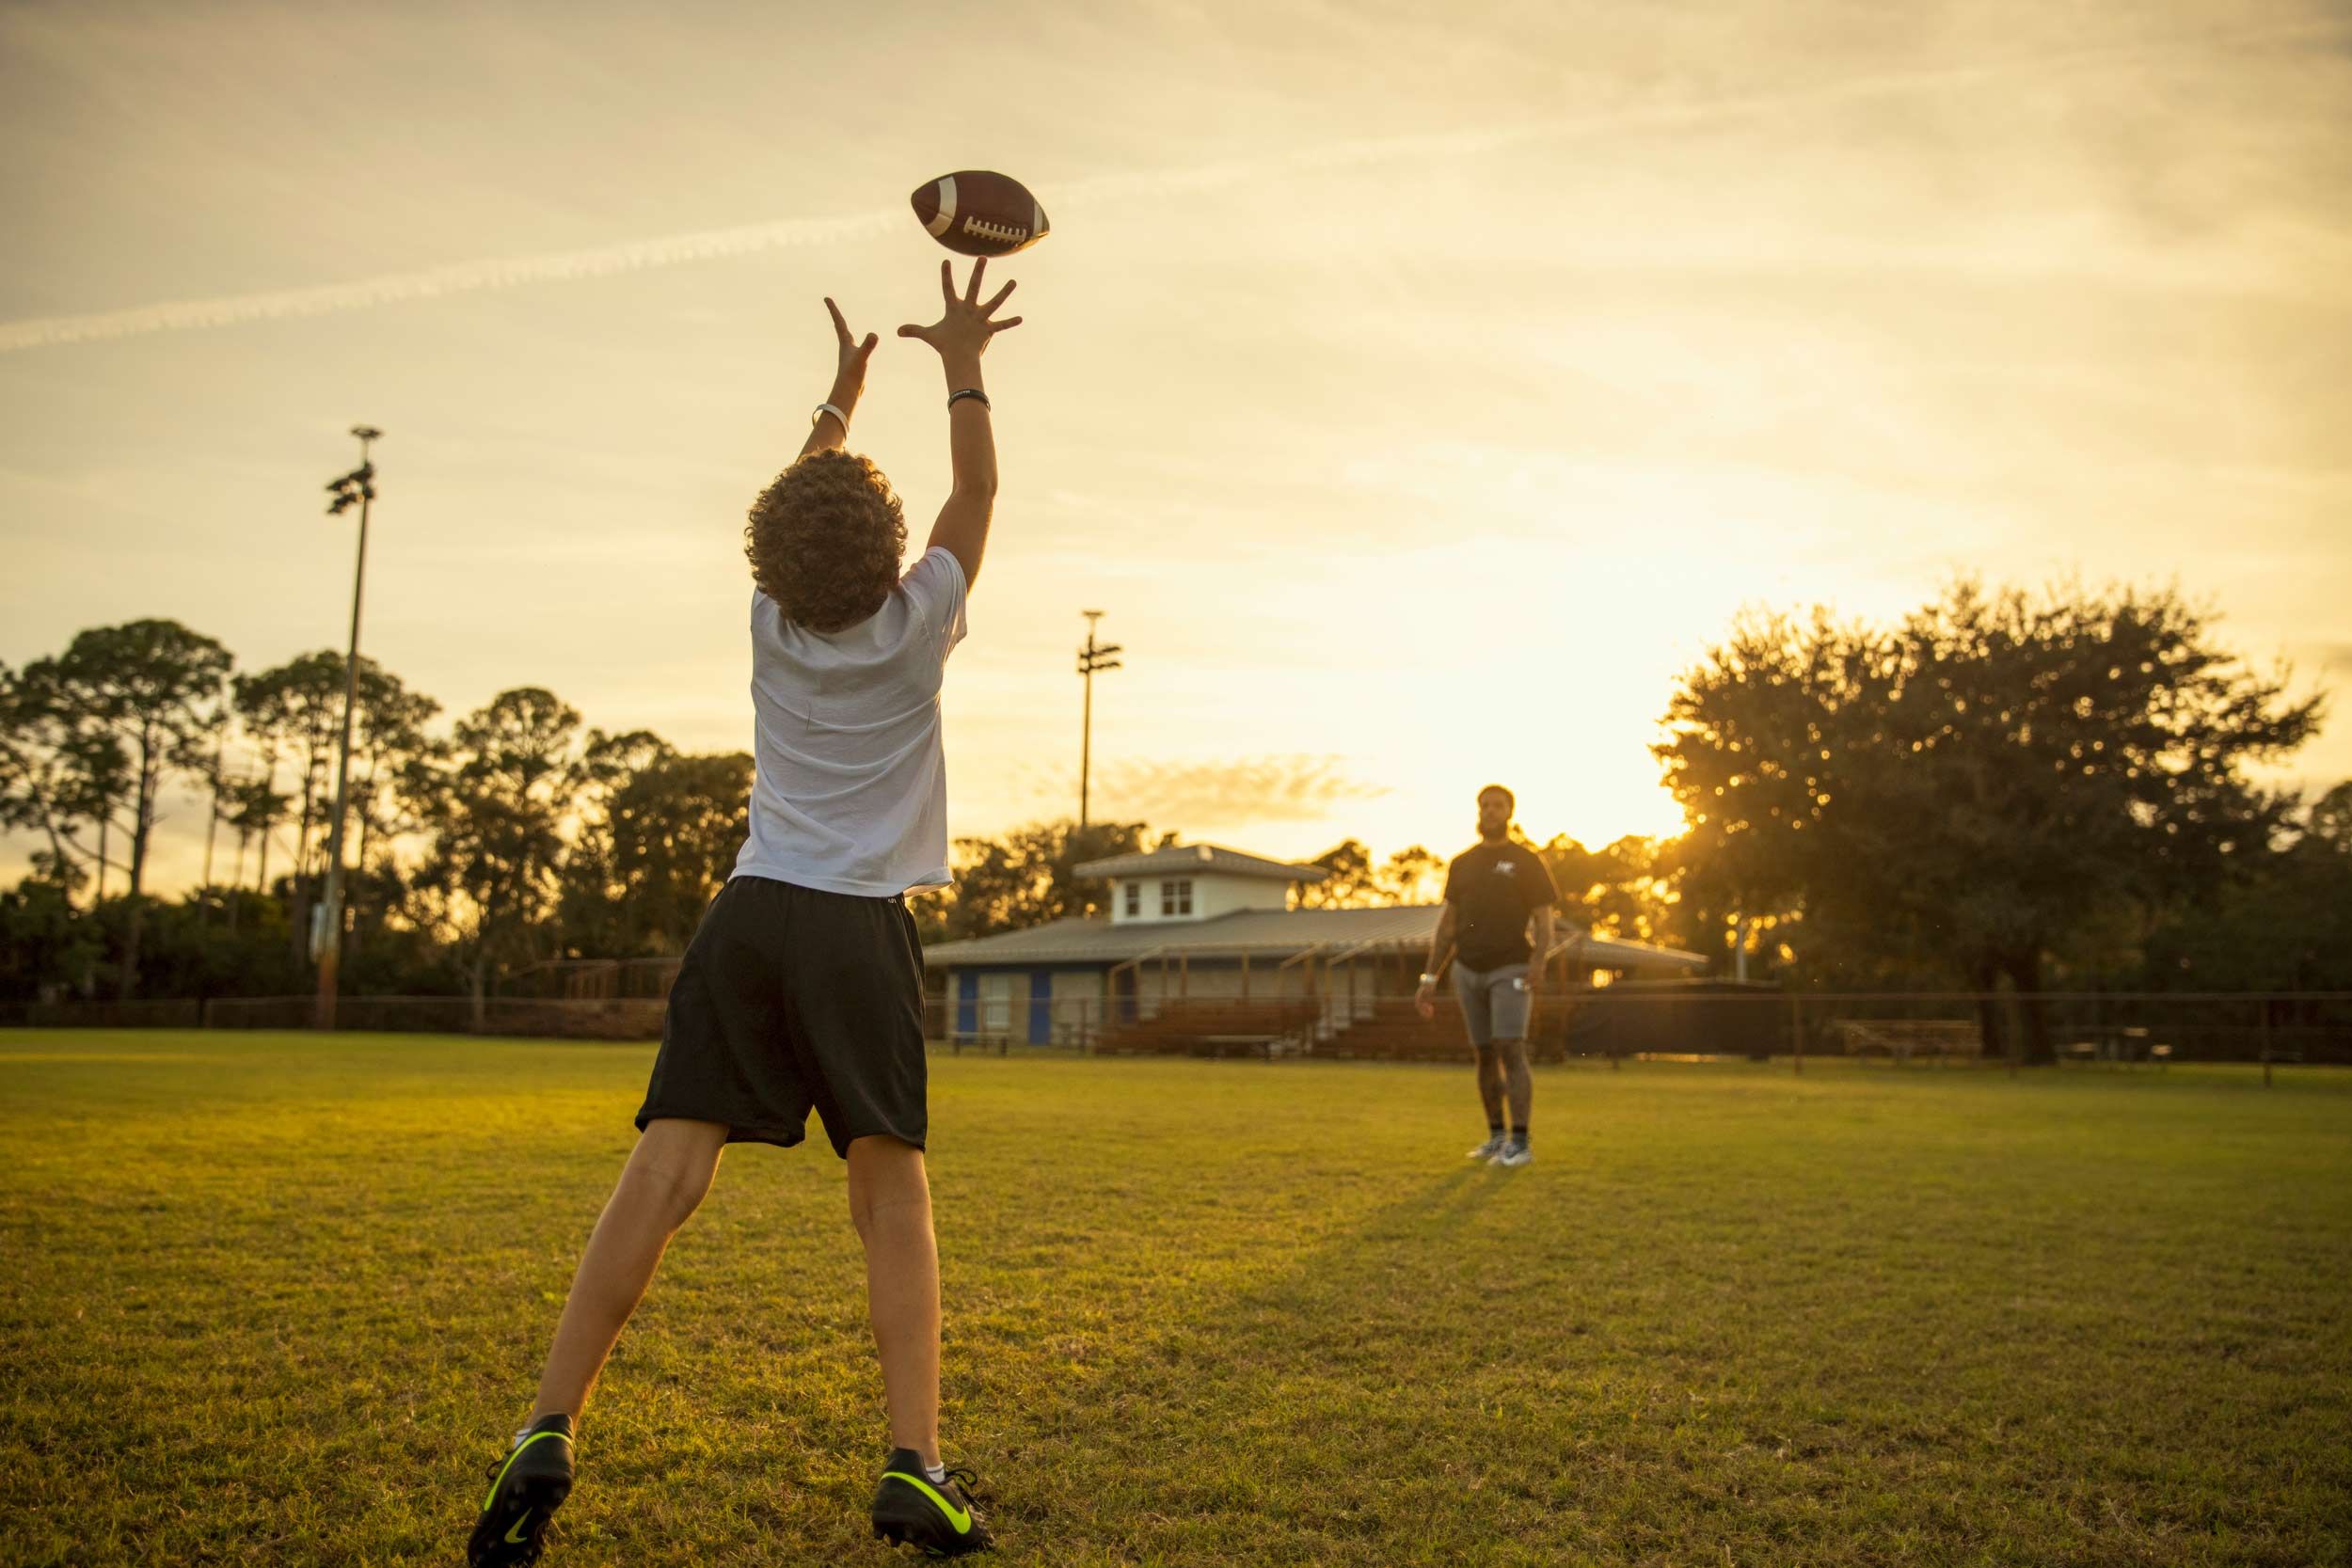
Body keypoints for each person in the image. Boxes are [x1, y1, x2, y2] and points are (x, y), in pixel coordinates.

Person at [466, 259, 1020, 1565]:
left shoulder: (769, 617)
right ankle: (916, 1464)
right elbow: (978, 492)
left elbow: (796, 516)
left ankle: (546, 1424)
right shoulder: (920, 615)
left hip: (750, 910)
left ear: (771, 553)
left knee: (664, 1167)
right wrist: (963, 362)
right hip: (855, 923)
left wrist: (838, 400)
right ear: (893, 555)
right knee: (890, 1192)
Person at [1415, 784, 1558, 1168]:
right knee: (1483, 1054)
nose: (1489, 812)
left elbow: (1545, 919)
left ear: (1509, 813)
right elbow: (1447, 926)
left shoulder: (1526, 862)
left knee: (1511, 1048)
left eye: (1497, 806)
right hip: (1468, 969)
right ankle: (1496, 1136)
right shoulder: (1462, 864)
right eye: (1484, 806)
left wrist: (1539, 962)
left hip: (1511, 967)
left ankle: (1521, 1142)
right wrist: (1429, 978)